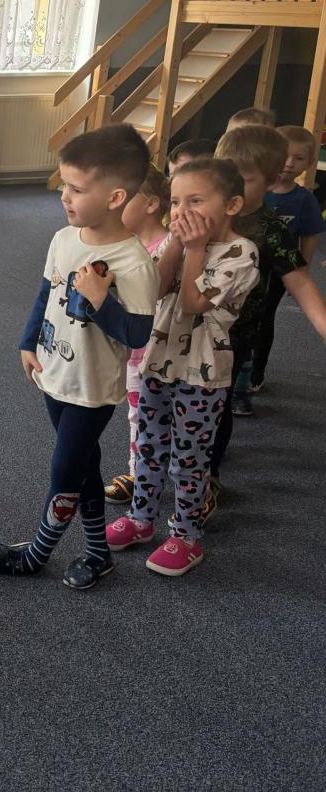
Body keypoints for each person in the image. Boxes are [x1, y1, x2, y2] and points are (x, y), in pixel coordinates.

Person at [0, 124, 159, 590]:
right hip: (54, 370)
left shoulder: (134, 263)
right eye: (65, 184)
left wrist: (100, 301)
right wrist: (27, 341)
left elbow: (137, 334)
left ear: (115, 197)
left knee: (64, 469)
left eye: (77, 188)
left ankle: (37, 554)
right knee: (83, 464)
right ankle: (98, 552)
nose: (64, 195)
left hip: (91, 388)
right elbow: (46, 294)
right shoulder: (64, 238)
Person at [105, 158, 258, 575]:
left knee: (189, 460)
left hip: (202, 375)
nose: (182, 211)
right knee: (148, 446)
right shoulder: (180, 240)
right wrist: (176, 242)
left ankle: (186, 536)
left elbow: (192, 304)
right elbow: (153, 289)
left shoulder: (241, 252)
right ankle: (141, 519)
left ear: (232, 205)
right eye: (176, 202)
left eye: (195, 200)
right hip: (158, 361)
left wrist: (193, 249)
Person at [206, 126, 326, 503]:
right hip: (187, 327)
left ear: (272, 182)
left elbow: (299, 279)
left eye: (244, 179)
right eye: (225, 175)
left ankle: (209, 475)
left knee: (217, 403)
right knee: (175, 399)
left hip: (235, 333)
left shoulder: (270, 228)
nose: (231, 187)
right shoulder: (204, 210)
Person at [105, 166, 171, 504]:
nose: (114, 207)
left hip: (162, 352)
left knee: (162, 419)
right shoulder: (122, 246)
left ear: (151, 204)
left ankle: (172, 478)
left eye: (124, 199)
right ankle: (139, 474)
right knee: (138, 416)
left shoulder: (169, 246)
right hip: (133, 351)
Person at [248, 125, 326, 390]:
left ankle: (256, 373)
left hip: (280, 270)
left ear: (310, 163)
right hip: (246, 264)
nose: (289, 163)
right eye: (284, 156)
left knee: (264, 317)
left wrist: (302, 269)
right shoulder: (257, 191)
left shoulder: (304, 199)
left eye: (298, 158)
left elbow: (309, 236)